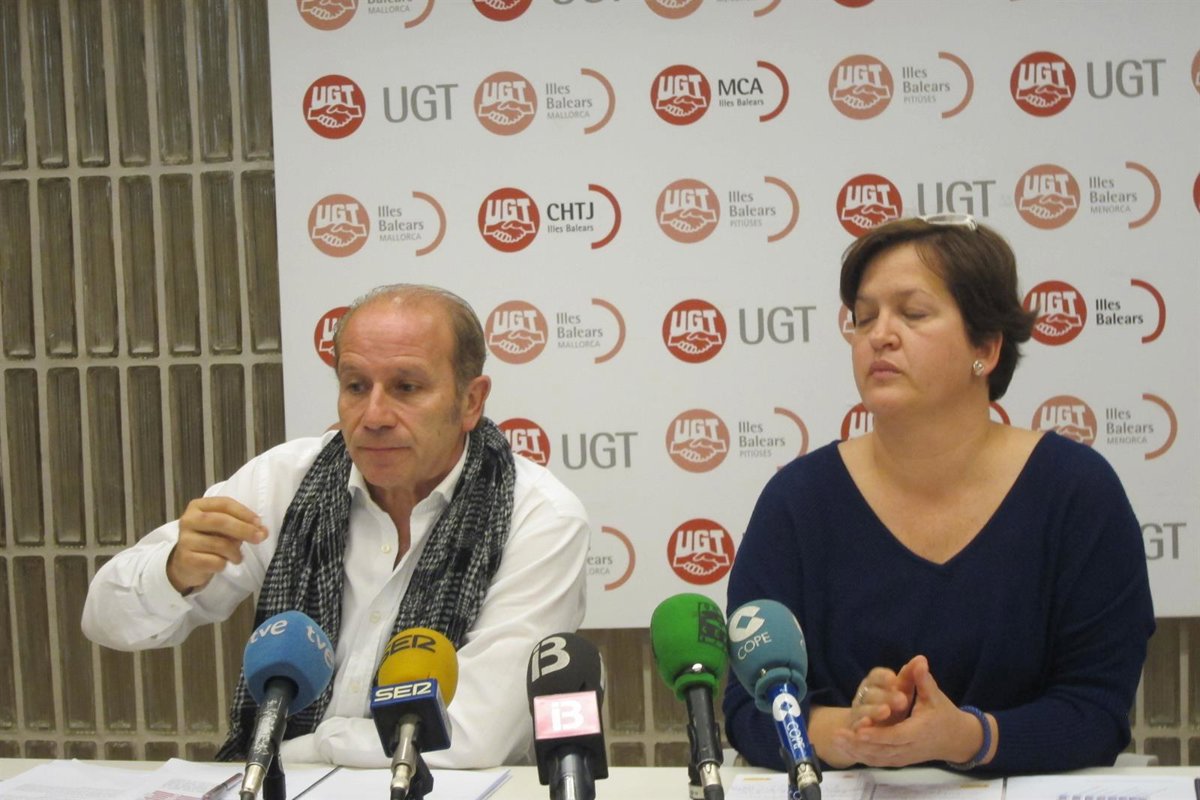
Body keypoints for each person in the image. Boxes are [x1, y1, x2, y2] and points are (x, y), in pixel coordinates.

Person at [82, 284, 591, 768]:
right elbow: (104, 620)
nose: (374, 415)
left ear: (471, 401)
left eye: (406, 387)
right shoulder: (286, 481)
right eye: (355, 386)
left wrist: (292, 750)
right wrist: (174, 572)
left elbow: (475, 733)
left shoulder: (538, 516)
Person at [723, 215, 1154, 774]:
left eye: (913, 313)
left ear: (987, 348)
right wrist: (843, 732)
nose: (879, 335)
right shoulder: (797, 502)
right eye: (864, 317)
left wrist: (967, 738)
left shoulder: (1077, 493)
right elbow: (745, 709)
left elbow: (1096, 712)